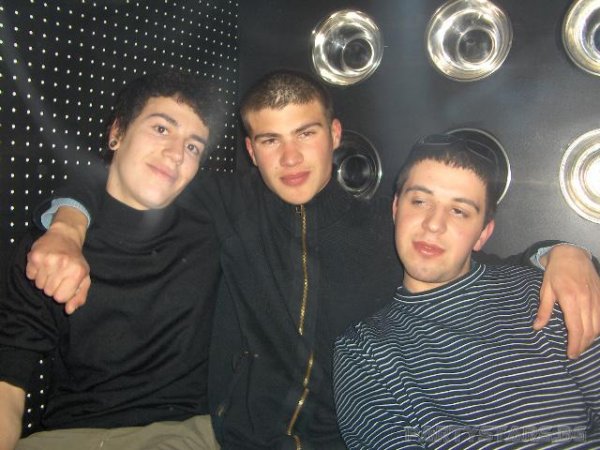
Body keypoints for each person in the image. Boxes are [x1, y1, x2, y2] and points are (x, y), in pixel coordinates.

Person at [24, 70, 600, 449]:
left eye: (305, 133)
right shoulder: (224, 202)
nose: (291, 158)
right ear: (251, 151)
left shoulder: (386, 228)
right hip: (236, 439)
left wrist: (560, 251)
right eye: (270, 140)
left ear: (335, 133)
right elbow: (126, 177)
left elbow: (462, 249)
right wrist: (67, 224)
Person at [0, 70, 224, 450]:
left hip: (182, 432)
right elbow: (7, 385)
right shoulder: (48, 250)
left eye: (192, 147)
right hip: (71, 436)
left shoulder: (214, 226)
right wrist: (67, 224)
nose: (176, 154)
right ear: (116, 133)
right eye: (161, 129)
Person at [333, 134, 600, 449]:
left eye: (459, 211)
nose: (434, 224)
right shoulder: (365, 352)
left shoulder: (543, 294)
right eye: (420, 201)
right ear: (395, 208)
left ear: (482, 234)